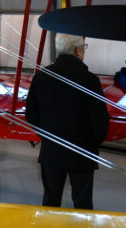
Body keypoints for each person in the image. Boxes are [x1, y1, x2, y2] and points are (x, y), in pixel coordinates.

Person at [25, 34, 109, 209]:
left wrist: (47, 135)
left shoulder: (41, 77)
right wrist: (91, 142)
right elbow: (100, 122)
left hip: (51, 152)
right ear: (77, 50)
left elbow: (31, 115)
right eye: (84, 48)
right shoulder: (90, 80)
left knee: (50, 201)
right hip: (82, 154)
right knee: (82, 203)